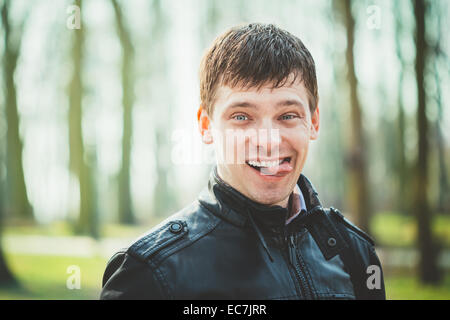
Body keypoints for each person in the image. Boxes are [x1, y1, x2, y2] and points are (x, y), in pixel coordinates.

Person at [100, 23, 385, 300]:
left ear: (313, 122)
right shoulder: (149, 273)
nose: (269, 141)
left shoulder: (356, 255)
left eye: (287, 115)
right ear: (205, 126)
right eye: (241, 117)